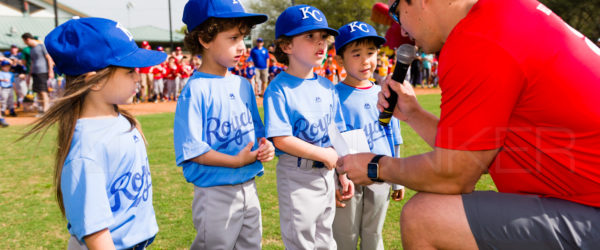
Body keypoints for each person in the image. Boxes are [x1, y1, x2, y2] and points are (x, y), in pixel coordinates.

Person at [337, 0, 600, 249]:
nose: (402, 28)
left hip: (590, 213)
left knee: (425, 217)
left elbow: (454, 177)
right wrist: (413, 114)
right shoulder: (500, 15)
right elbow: (474, 158)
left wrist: (376, 166)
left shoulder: (475, 38)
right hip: (583, 203)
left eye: (397, 11)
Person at [20, 17, 166, 249]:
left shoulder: (120, 120)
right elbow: (96, 234)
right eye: (130, 71)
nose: (138, 77)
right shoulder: (86, 149)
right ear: (94, 81)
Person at [175, 0, 275, 249]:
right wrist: (235, 161)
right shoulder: (195, 90)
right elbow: (193, 149)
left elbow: (258, 133)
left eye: (243, 37)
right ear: (205, 39)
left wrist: (266, 148)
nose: (242, 46)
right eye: (232, 38)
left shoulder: (243, 84)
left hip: (248, 187)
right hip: (215, 191)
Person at [264, 5, 349, 249]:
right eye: (310, 36)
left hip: (326, 172)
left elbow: (336, 135)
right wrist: (324, 154)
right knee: (302, 241)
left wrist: (342, 171)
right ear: (286, 46)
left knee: (325, 239)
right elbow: (281, 139)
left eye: (323, 37)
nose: (320, 43)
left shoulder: (327, 85)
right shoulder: (279, 89)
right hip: (297, 175)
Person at [331, 21, 405, 250]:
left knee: (373, 233)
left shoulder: (384, 93)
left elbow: (394, 136)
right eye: (356, 54)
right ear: (340, 60)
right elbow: (332, 142)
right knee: (345, 235)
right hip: (348, 177)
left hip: (381, 171)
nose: (366, 61)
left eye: (371, 52)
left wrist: (397, 180)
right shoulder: (332, 95)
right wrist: (335, 178)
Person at [21, 32, 54, 114]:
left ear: (28, 39)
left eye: (24, 41)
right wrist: (29, 75)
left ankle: (46, 110)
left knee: (43, 91)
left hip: (42, 72)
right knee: (38, 92)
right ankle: (42, 109)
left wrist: (51, 71)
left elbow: (49, 59)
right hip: (34, 73)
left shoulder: (41, 47)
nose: (24, 43)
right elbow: (32, 63)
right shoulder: (31, 50)